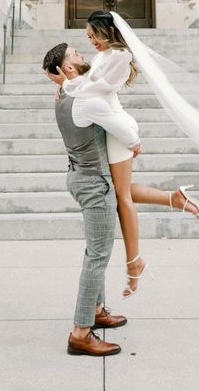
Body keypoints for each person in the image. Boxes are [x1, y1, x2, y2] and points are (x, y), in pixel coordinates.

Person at [47, 11, 199, 298]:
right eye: (87, 39)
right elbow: (86, 83)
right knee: (121, 190)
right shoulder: (104, 56)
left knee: (122, 198)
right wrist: (65, 86)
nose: (90, 42)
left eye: (93, 35)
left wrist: (133, 140)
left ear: (107, 32)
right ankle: (174, 198)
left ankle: (135, 263)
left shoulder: (118, 56)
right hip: (114, 131)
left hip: (119, 134)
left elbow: (95, 89)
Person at [41, 41, 133, 357]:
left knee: (96, 250)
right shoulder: (82, 97)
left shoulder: (67, 92)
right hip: (94, 183)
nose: (84, 56)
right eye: (76, 56)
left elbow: (93, 75)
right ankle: (81, 332)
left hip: (82, 177)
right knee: (97, 255)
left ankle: (96, 311)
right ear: (67, 68)